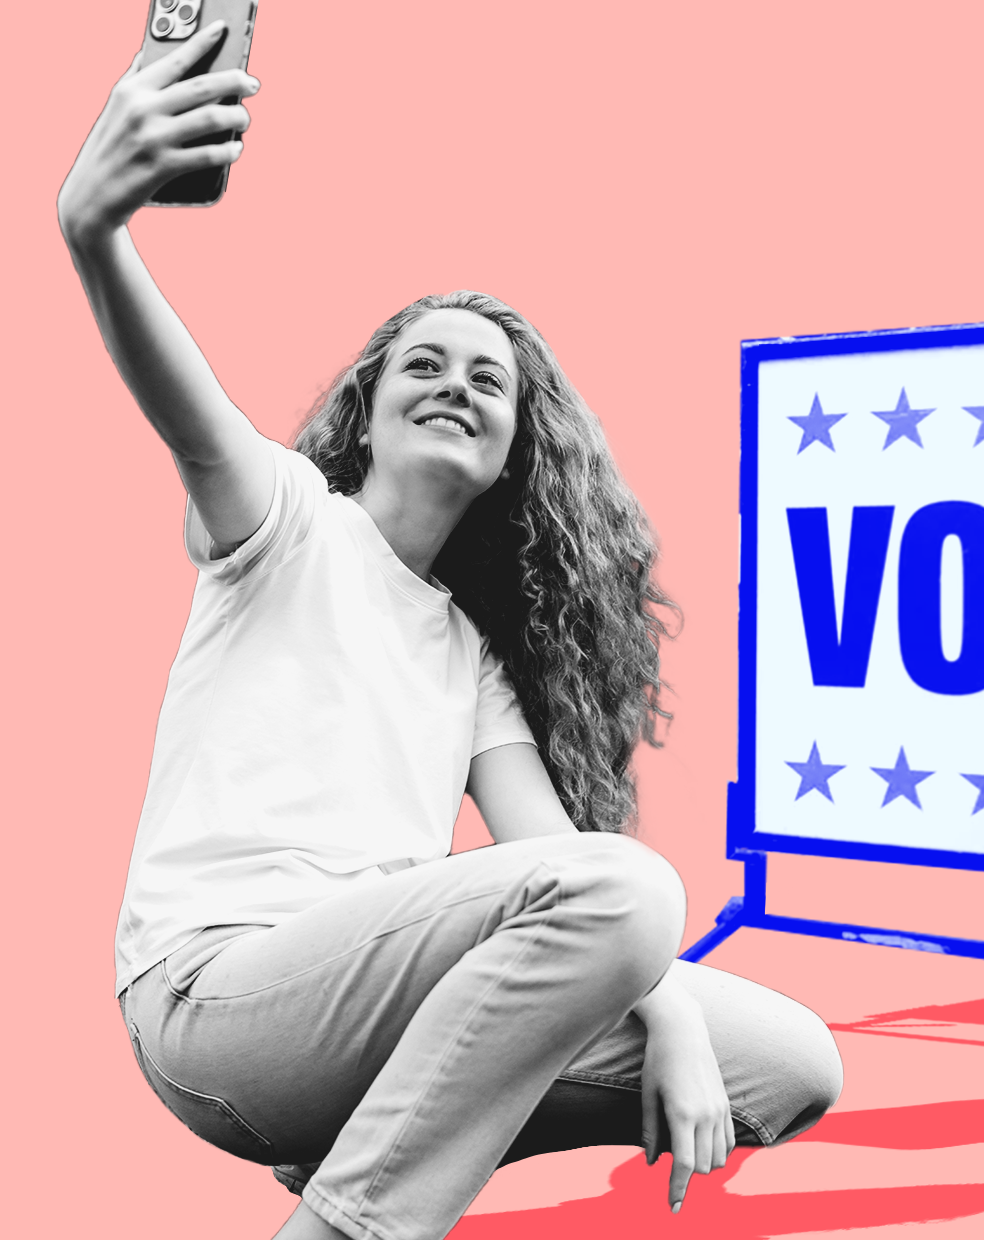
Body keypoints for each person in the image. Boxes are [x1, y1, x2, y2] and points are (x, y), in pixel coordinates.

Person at [57, 24, 842, 1240]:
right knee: (631, 892)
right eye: (423, 361)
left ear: (512, 451)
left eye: (489, 380)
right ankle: (349, 1225)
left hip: (360, 1026)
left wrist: (676, 1026)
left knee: (786, 1062)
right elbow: (193, 419)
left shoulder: (465, 655)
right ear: (365, 410)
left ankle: (354, 1150)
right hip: (213, 999)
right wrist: (95, 233)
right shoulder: (285, 527)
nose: (455, 383)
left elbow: (566, 869)